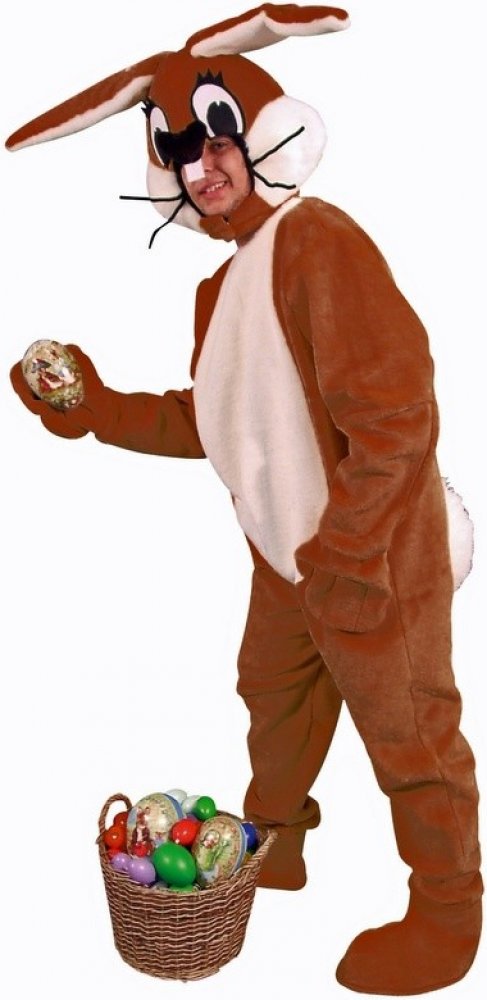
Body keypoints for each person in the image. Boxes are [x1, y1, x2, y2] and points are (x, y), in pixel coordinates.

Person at [7, 4, 482, 994]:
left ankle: (447, 912)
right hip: (288, 555)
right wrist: (96, 409)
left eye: (215, 137)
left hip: (370, 548)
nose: (201, 165)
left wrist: (350, 553)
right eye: (178, 151)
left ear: (262, 129)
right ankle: (278, 841)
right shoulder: (218, 294)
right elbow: (211, 420)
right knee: (273, 696)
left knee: (409, 729)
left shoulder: (318, 240)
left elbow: (396, 415)